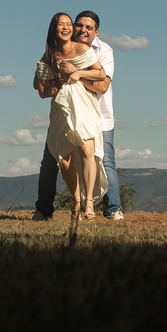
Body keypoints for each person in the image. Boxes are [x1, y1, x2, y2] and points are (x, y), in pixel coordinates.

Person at [32, 11, 123, 220]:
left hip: (99, 114)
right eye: (79, 25)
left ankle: (112, 209)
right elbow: (41, 85)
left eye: (88, 28)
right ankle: (44, 210)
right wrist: (55, 78)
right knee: (52, 162)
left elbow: (102, 85)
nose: (82, 30)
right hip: (65, 112)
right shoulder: (58, 49)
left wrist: (76, 74)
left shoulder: (103, 50)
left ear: (96, 32)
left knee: (104, 161)